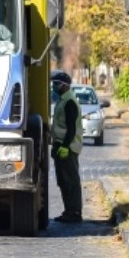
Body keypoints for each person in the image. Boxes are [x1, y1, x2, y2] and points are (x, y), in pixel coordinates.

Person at [50, 70, 84, 223]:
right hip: (61, 146)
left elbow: (71, 128)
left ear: (64, 86)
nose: (54, 87)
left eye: (56, 84)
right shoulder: (62, 100)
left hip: (68, 147)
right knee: (63, 181)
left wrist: (65, 146)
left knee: (71, 180)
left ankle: (75, 212)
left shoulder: (70, 102)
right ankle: (68, 211)